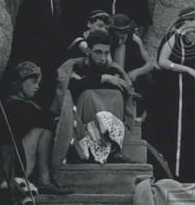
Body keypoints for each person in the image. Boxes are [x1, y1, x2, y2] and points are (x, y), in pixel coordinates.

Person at [147, 8, 195, 183]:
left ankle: (188, 176)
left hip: (189, 95)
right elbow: (162, 61)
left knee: (189, 132)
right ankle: (170, 173)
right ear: (186, 22)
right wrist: (187, 70)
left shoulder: (192, 44)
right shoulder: (173, 37)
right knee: (172, 131)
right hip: (172, 93)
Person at [0, 62, 71, 196]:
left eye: (38, 83)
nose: (37, 86)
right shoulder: (16, 106)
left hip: (15, 161)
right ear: (20, 82)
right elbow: (47, 118)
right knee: (44, 128)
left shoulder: (20, 105)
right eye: (33, 82)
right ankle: (44, 181)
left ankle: (41, 180)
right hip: (10, 166)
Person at [52, 30, 134, 165]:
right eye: (98, 52)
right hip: (81, 124)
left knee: (117, 95)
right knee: (88, 94)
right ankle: (85, 148)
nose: (103, 58)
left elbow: (125, 89)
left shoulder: (113, 69)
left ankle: (113, 148)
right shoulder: (75, 66)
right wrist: (103, 78)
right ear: (88, 51)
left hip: (108, 119)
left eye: (106, 53)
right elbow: (71, 86)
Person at [109, 12, 155, 119]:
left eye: (123, 38)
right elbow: (118, 68)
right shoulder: (109, 42)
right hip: (121, 80)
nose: (119, 41)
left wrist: (136, 72)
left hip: (137, 78)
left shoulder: (135, 39)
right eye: (117, 37)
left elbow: (150, 64)